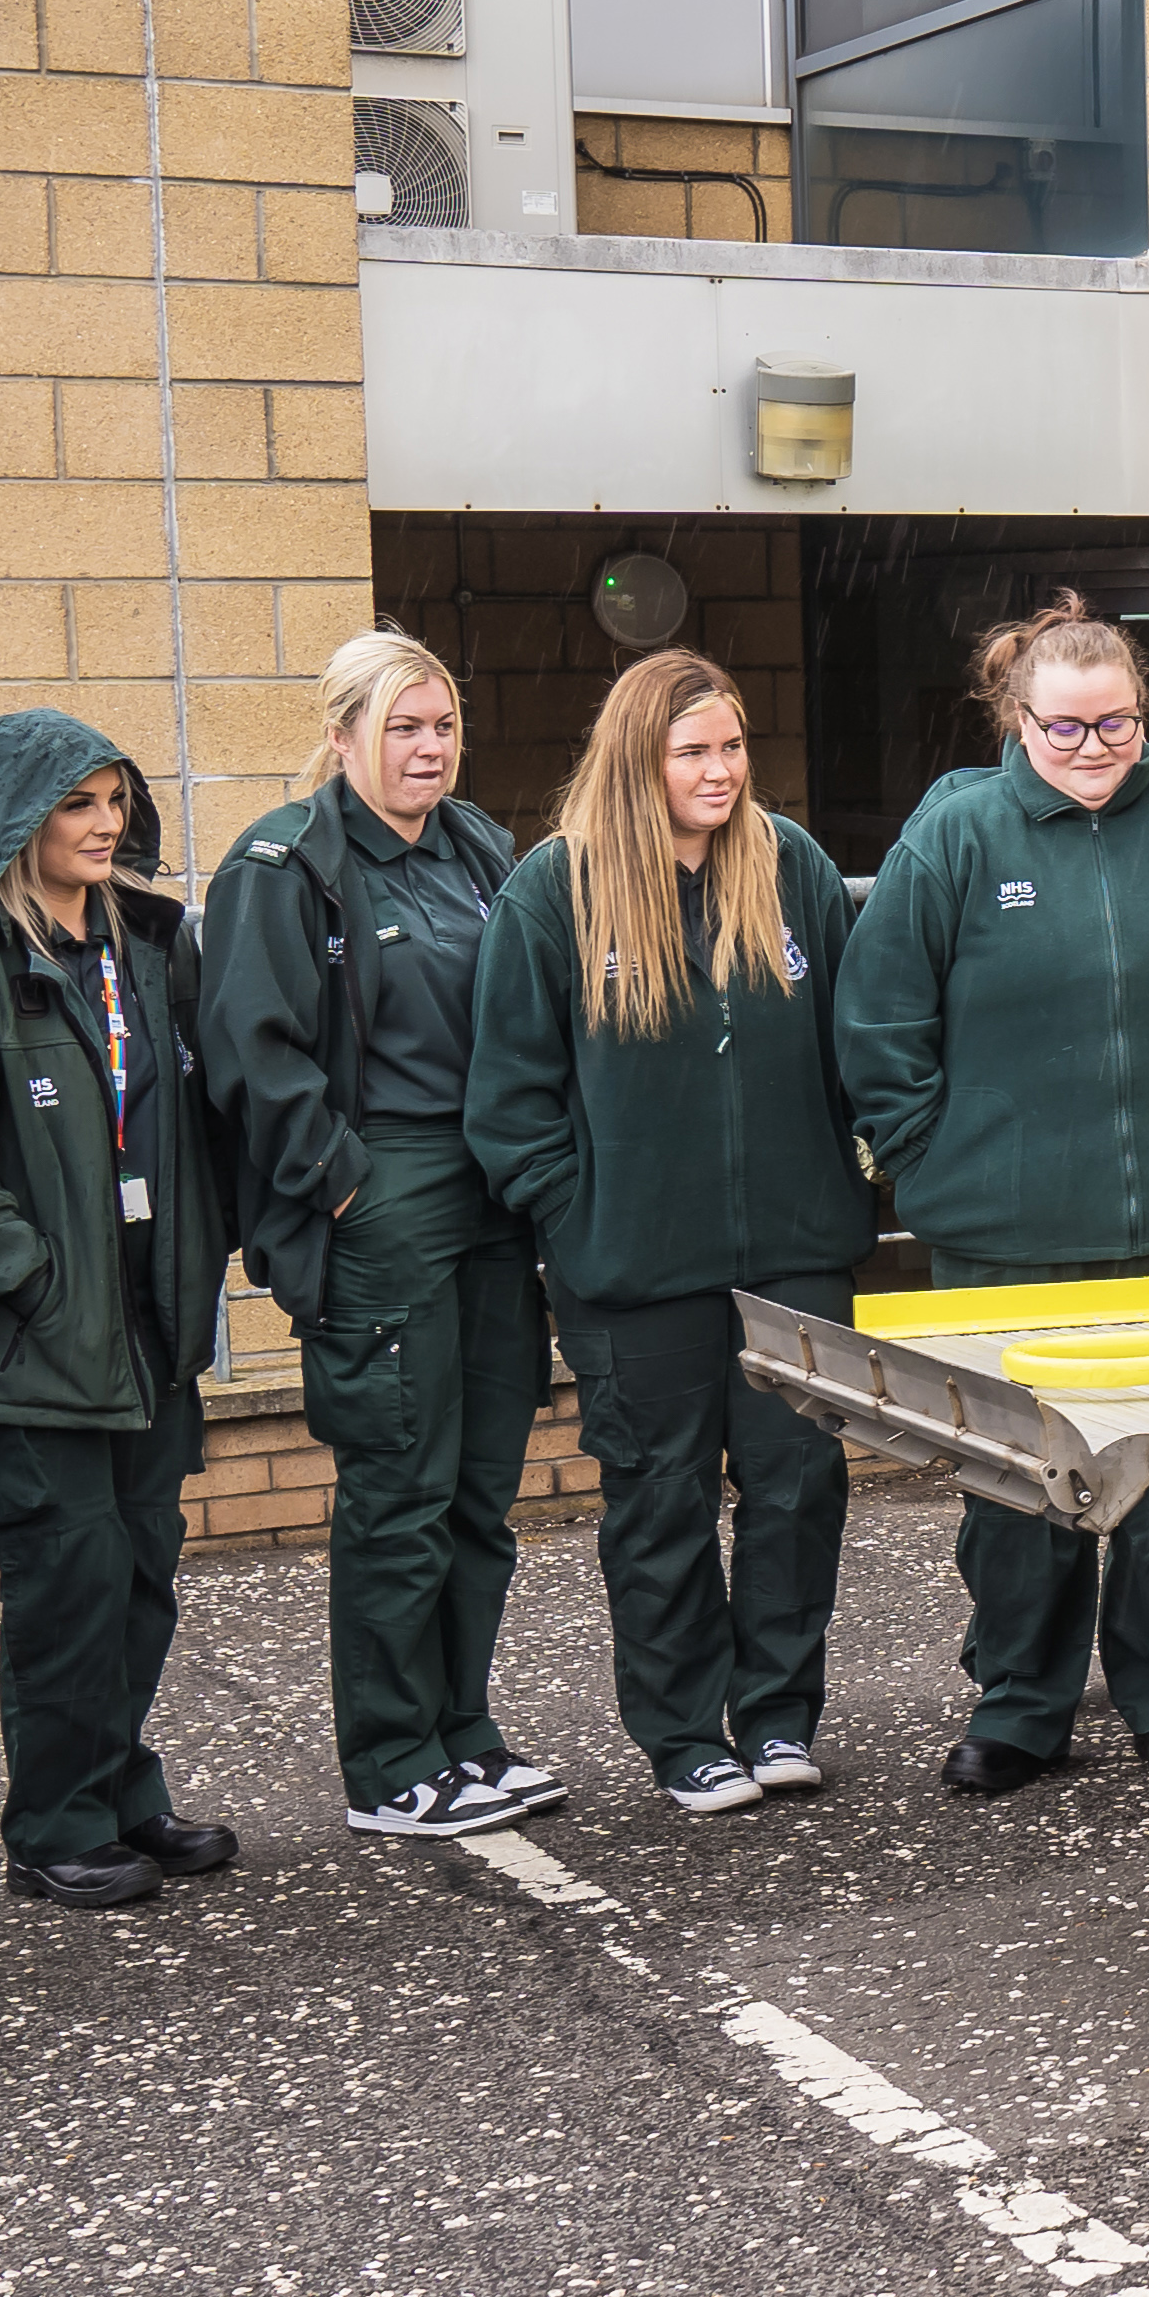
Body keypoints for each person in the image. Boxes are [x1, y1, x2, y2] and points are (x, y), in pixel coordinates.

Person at [838, 590, 1149, 1793]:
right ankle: (1022, 1703)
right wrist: (933, 1163)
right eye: (1066, 729)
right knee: (1020, 1486)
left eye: (1118, 726)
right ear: (1016, 717)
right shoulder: (960, 838)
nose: (1094, 751)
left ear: (1145, 714)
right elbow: (880, 1023)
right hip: (1008, 1235)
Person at [466, 650, 876, 1818]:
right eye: (691, 750)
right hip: (635, 1274)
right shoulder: (559, 888)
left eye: (732, 746)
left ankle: (781, 1717)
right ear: (637, 758)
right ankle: (687, 1733)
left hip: (794, 1255)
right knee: (663, 1506)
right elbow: (509, 1097)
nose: (718, 770)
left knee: (799, 1489)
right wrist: (578, 1211)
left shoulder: (788, 864)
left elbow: (852, 1046)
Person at [200, 629, 549, 1841]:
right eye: (403, 726)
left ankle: (466, 1732)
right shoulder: (284, 865)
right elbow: (253, 1049)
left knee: (478, 1484)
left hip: (492, 1191)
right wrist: (342, 1185)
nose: (428, 748)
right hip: (382, 1186)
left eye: (443, 725)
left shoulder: (476, 851)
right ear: (343, 734)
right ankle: (392, 1756)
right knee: (398, 1482)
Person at [0, 710, 242, 1912]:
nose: (104, 825)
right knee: (68, 1583)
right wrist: (40, 1288)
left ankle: (118, 1790)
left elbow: (201, 1114)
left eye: (114, 800)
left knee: (142, 1568)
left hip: (145, 1325)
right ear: (18, 821)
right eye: (75, 804)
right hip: (30, 1345)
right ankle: (53, 1823)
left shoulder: (151, 942)